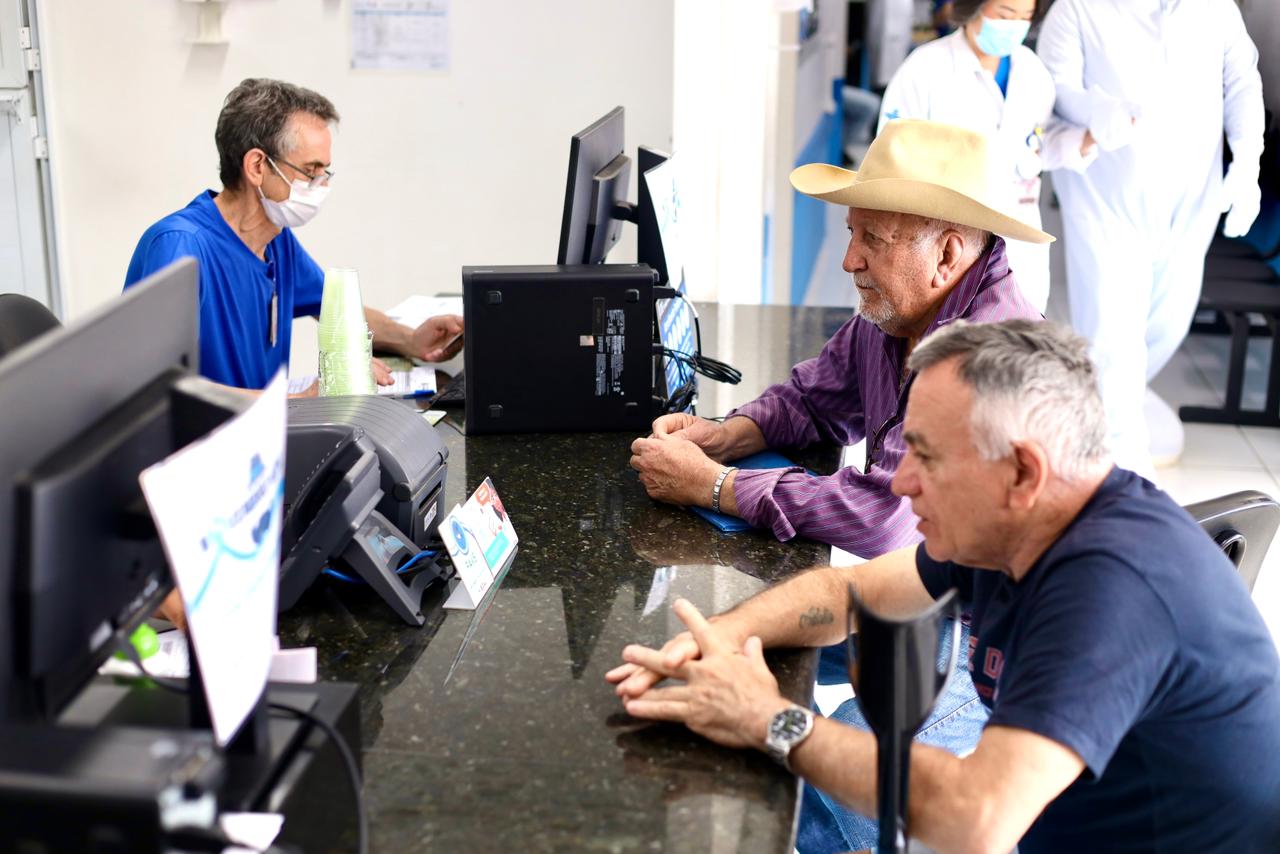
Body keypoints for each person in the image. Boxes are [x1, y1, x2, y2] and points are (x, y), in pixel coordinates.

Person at [610, 319, 1280, 853]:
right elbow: (854, 595)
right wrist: (722, 638)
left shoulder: (1114, 587)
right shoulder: (1019, 521)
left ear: (1022, 472)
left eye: (925, 457)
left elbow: (974, 822)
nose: (900, 483)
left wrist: (770, 719)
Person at [630, 118, 1049, 851]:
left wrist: (716, 488)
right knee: (720, 636)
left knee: (816, 768)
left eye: (872, 241)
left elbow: (889, 520)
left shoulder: (986, 360)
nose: (849, 259)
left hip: (992, 656)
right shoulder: (897, 314)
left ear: (948, 252)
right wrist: (723, 436)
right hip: (925, 601)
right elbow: (813, 399)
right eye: (852, 233)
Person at [1036, 0, 1265, 475]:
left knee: (1167, 323)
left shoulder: (1215, 9)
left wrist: (1247, 162)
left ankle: (1104, 405)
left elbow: (1242, 80)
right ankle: (1124, 475)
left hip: (1191, 202)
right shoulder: (1077, 10)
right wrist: (1099, 109)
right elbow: (1055, 89)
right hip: (1106, 201)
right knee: (1112, 338)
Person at [124, 78, 463, 391]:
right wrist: (301, 400)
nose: (322, 185)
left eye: (325, 171)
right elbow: (162, 393)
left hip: (263, 436)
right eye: (311, 171)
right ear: (257, 166)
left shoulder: (275, 241)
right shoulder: (179, 247)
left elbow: (335, 309)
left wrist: (411, 340)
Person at [877, 0, 1097, 312]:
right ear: (972, 7)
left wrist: (1088, 140)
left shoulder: (1032, 72)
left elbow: (1035, 145)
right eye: (1005, 14)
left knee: (1014, 341)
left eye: (1025, 17)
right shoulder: (925, 68)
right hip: (942, 232)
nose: (1014, 26)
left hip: (1018, 235)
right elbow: (890, 157)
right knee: (941, 340)